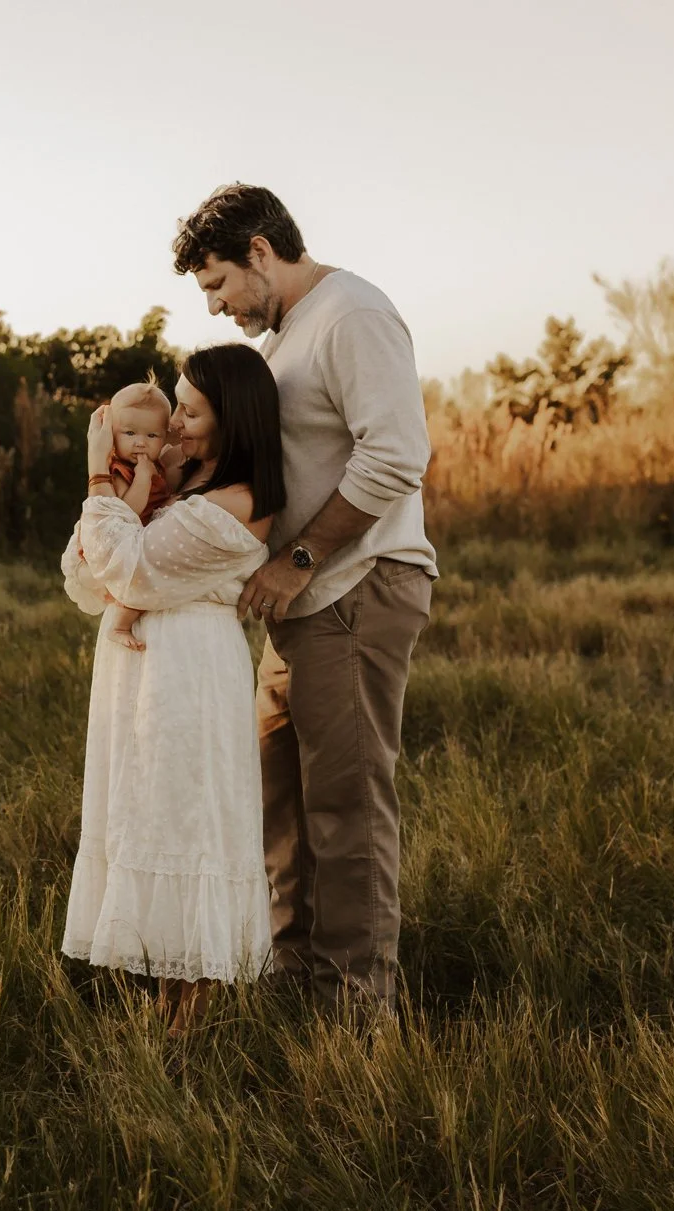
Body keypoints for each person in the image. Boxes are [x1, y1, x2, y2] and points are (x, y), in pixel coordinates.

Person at [173, 184, 438, 1014]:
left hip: (355, 587)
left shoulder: (351, 314)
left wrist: (297, 557)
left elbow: (396, 457)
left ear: (259, 250)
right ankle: (294, 979)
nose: (216, 307)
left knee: (346, 804)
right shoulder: (290, 335)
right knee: (280, 797)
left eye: (218, 285)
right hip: (298, 601)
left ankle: (357, 1012)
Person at [60, 344, 284, 1036]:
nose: (177, 423)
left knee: (187, 821)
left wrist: (100, 474)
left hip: (189, 673)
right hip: (139, 674)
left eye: (190, 410)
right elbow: (84, 577)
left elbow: (123, 570)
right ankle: (167, 1009)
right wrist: (117, 500)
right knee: (149, 816)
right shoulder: (178, 483)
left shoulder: (240, 502)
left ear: (233, 418)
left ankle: (190, 1021)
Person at [98, 377, 176, 650]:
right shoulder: (120, 471)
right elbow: (127, 512)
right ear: (113, 435)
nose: (140, 443)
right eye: (129, 434)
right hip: (123, 542)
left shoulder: (158, 464)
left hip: (144, 537)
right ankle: (119, 626)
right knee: (141, 577)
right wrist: (142, 479)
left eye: (151, 435)